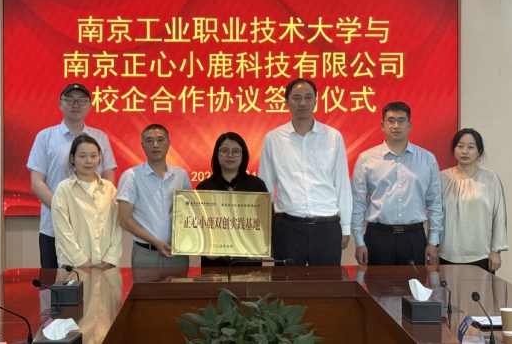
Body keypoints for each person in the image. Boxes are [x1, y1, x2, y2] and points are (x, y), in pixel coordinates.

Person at [258, 78, 352, 266]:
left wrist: (345, 227)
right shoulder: (273, 139)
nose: (302, 103)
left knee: (328, 282)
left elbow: (342, 184)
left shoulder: (333, 136)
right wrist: (265, 230)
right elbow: (265, 187)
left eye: (308, 97)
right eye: (296, 98)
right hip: (288, 228)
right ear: (286, 102)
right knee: (287, 283)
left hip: (326, 227)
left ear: (316, 101)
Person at [27, 83, 117, 268]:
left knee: (96, 282)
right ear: (60, 103)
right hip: (53, 228)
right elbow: (37, 182)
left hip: (94, 230)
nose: (76, 105)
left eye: (82, 100)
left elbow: (107, 176)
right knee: (55, 282)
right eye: (70, 100)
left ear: (90, 105)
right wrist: (64, 211)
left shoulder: (100, 137)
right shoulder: (45, 137)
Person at [351, 101, 444, 266]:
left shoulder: (427, 159)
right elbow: (357, 203)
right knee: (376, 283)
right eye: (391, 120)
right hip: (378, 236)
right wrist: (359, 241)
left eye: (401, 120)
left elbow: (435, 203)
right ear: (382, 125)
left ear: (410, 125)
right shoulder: (366, 159)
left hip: (414, 236)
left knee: (414, 283)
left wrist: (433, 242)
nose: (396, 126)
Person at [117, 123, 191, 268]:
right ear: (142, 146)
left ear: (168, 143)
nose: (155, 145)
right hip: (146, 254)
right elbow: (125, 219)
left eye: (160, 140)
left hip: (176, 252)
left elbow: (189, 213)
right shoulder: (131, 176)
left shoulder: (180, 175)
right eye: (149, 141)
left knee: (179, 284)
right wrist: (155, 242)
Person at [439, 128, 507, 273]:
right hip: (447, 254)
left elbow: (499, 215)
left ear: (479, 151)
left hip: (481, 255)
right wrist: (432, 244)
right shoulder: (442, 178)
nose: (465, 151)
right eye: (460, 146)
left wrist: (496, 251)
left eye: (471, 147)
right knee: (449, 288)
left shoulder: (490, 178)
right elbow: (434, 215)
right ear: (454, 149)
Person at [196, 132, 268, 267]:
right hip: (214, 263)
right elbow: (196, 225)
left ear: (243, 155)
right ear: (217, 155)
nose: (230, 155)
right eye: (224, 151)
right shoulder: (204, 187)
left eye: (236, 151)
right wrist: (203, 246)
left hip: (249, 261)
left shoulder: (256, 185)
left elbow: (267, 221)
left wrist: (262, 246)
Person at [52, 135, 122, 269]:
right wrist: (81, 261)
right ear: (72, 158)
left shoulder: (109, 188)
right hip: (74, 266)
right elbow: (62, 231)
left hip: (106, 265)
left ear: (99, 158)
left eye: (94, 156)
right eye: (82, 156)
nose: (89, 161)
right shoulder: (64, 189)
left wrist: (111, 258)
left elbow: (116, 227)